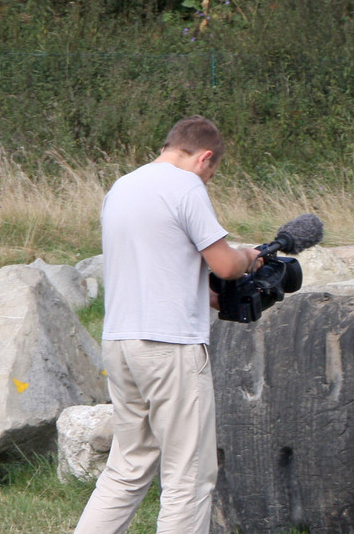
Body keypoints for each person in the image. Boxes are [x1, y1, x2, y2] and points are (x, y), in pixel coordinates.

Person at [75, 116, 261, 534]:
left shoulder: (122, 187)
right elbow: (226, 264)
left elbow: (159, 265)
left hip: (121, 341)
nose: (210, 180)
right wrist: (250, 255)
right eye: (213, 172)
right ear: (205, 158)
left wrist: (207, 296)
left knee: (127, 468)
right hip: (170, 346)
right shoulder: (185, 186)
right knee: (189, 477)